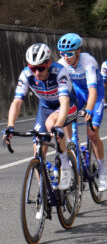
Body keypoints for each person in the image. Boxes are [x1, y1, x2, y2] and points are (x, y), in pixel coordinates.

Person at [3, 43, 77, 190]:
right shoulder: (26, 74)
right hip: (45, 107)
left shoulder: (59, 72)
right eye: (33, 68)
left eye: (41, 68)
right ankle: (44, 193)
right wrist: (10, 126)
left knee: (51, 124)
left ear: (49, 63)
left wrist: (58, 126)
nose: (36, 72)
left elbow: (64, 101)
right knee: (37, 151)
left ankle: (65, 166)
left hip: (66, 106)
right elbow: (17, 102)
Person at [57, 33, 107, 192]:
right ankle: (73, 143)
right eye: (63, 53)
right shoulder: (61, 64)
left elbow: (93, 91)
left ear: (78, 51)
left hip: (96, 94)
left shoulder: (89, 62)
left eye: (70, 53)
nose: (66, 57)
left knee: (92, 134)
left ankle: (102, 171)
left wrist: (89, 108)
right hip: (77, 93)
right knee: (63, 114)